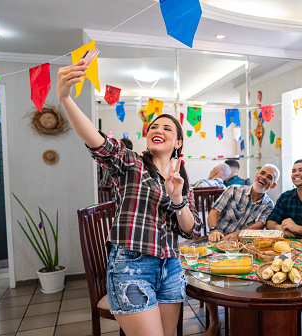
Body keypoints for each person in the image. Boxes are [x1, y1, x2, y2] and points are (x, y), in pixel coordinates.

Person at [57, 60, 202, 336]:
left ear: (179, 143)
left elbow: (189, 229)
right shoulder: (130, 163)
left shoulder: (180, 179)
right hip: (131, 266)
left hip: (171, 267)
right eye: (153, 126)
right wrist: (65, 99)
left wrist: (177, 198)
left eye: (167, 128)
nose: (157, 129)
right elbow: (96, 141)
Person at [204, 164, 279, 336]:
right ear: (256, 174)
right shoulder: (233, 190)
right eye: (262, 173)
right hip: (220, 240)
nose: (264, 178)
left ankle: (244, 318)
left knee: (254, 275)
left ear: (272, 185)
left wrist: (238, 234)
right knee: (209, 277)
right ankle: (215, 322)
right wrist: (214, 229)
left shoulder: (268, 204)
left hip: (245, 247)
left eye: (270, 178)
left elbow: (260, 225)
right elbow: (214, 212)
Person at [266, 159, 302, 238]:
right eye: (294, 171)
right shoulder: (285, 197)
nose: (296, 174)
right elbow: (270, 223)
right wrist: (279, 228)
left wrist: (297, 228)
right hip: (288, 246)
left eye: (301, 170)